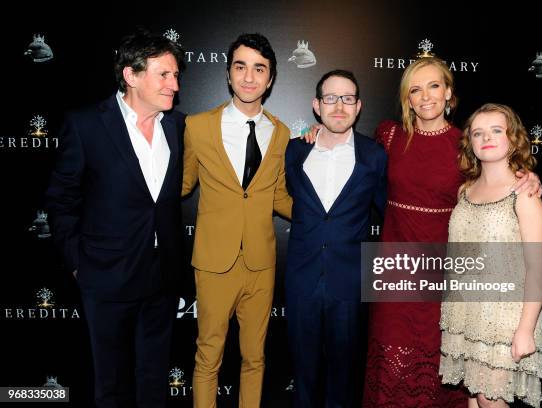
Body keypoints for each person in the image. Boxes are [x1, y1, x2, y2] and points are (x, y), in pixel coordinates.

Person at [362, 56, 542, 408]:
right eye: (415, 89)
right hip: (394, 273)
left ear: (448, 93)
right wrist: (317, 132)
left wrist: (530, 177)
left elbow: (499, 177)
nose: (425, 96)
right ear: (407, 99)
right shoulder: (389, 135)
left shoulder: (466, 145)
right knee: (392, 369)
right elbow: (349, 157)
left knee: (450, 375)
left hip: (445, 278)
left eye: (433, 86)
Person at [46, 29, 185, 407]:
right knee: (110, 384)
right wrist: (78, 263)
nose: (174, 84)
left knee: (154, 381)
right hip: (106, 275)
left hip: (162, 276)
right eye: (164, 75)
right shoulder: (87, 124)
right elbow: (61, 200)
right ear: (131, 75)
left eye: (176, 76)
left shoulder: (179, 126)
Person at [181, 33, 292, 407]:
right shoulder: (197, 127)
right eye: (241, 67)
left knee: (255, 358)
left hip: (261, 263)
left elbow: (278, 195)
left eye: (258, 68)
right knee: (208, 356)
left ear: (270, 78)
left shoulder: (281, 133)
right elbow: (179, 186)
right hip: (214, 262)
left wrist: (327, 210)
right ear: (228, 74)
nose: (249, 77)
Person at [284, 70, 387, 407]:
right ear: (317, 105)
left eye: (347, 98)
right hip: (302, 281)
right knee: (304, 376)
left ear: (359, 106)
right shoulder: (295, 151)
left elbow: (393, 211)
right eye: (330, 98)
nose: (339, 106)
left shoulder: (374, 156)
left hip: (350, 283)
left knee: (345, 379)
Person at [439, 103, 542, 408]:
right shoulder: (465, 191)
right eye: (478, 133)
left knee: (490, 400)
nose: (487, 137)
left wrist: (525, 330)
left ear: (513, 138)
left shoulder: (524, 194)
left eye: (497, 130)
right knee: (474, 399)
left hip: (505, 318)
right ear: (470, 143)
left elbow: (537, 270)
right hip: (466, 314)